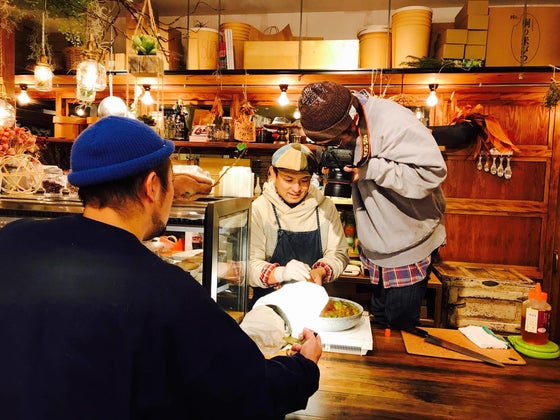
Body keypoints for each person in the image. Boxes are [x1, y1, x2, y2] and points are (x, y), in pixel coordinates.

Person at [0, 116, 322, 420]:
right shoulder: (168, 290)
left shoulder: (13, 240)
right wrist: (304, 366)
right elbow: (245, 390)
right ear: (153, 186)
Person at [298, 81, 447, 330]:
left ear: (353, 121)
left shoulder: (394, 123)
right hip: (377, 246)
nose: (334, 146)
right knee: (380, 324)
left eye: (336, 141)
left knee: (400, 329)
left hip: (409, 244)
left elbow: (432, 174)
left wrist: (370, 169)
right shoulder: (345, 123)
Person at [249, 143, 349, 303]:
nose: (296, 188)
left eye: (304, 180)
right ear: (272, 173)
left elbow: (339, 254)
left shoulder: (325, 207)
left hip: (313, 302)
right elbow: (250, 265)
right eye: (288, 180)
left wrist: (320, 272)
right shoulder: (260, 208)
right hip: (268, 305)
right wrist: (281, 273)